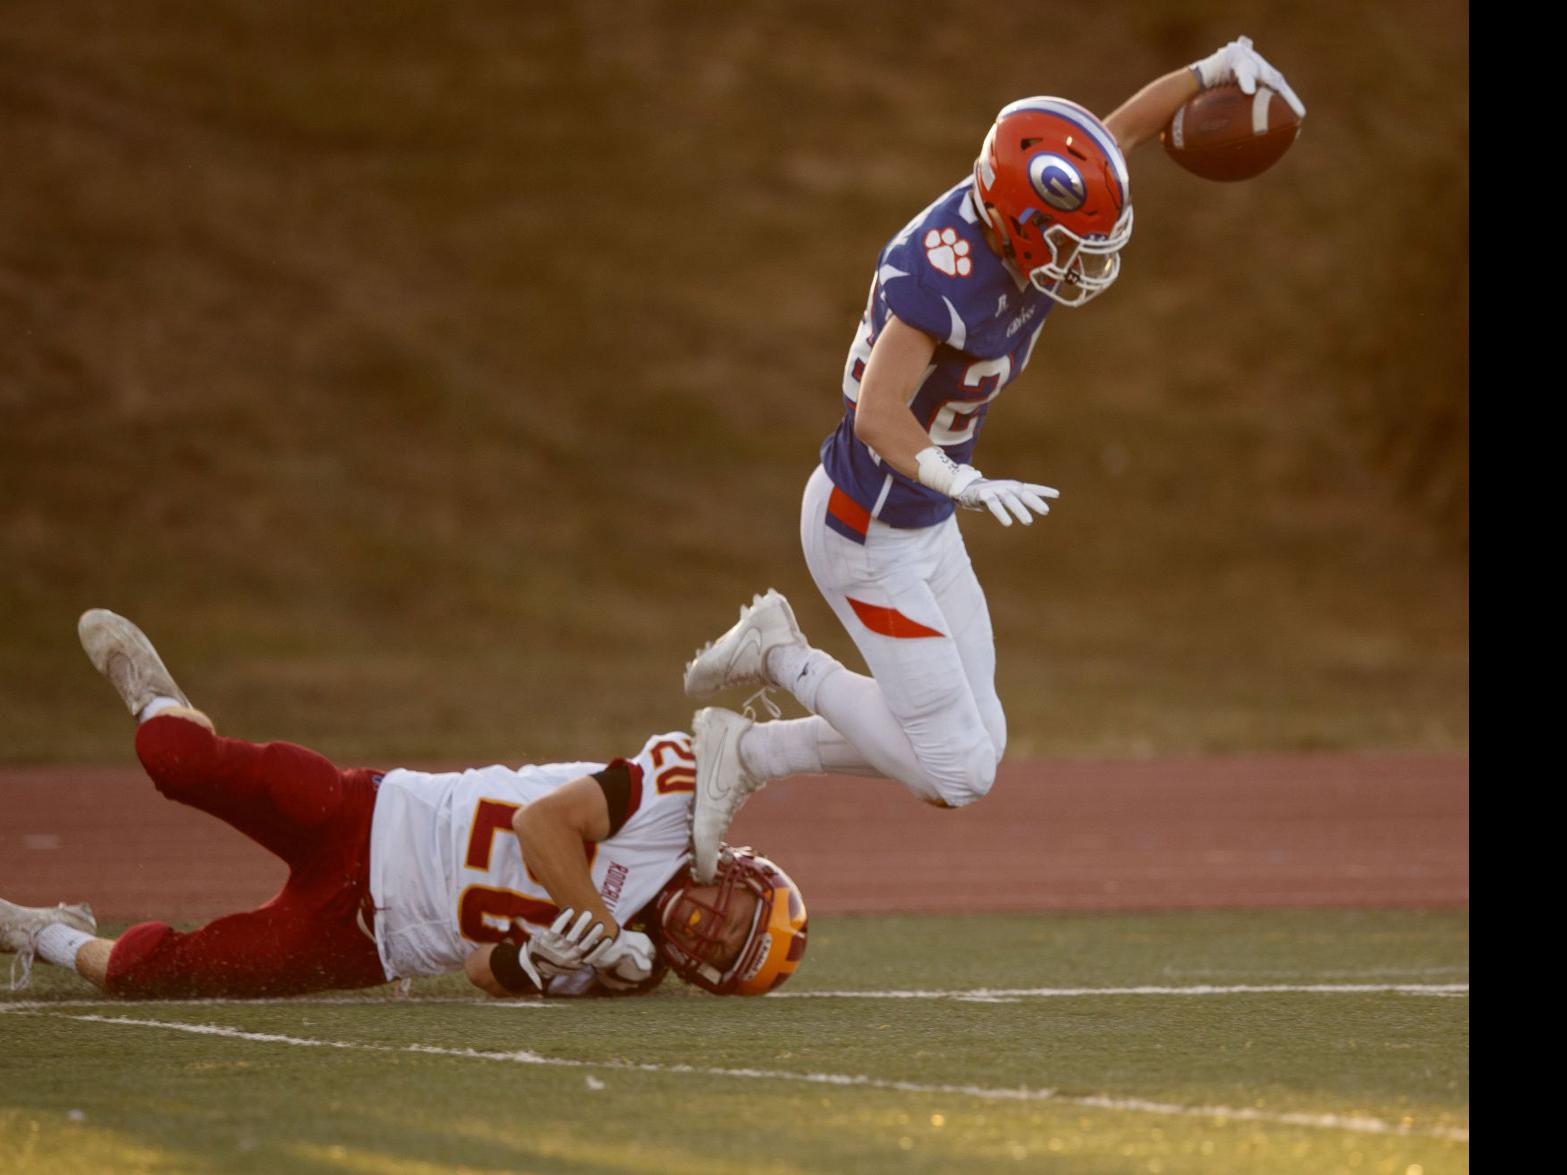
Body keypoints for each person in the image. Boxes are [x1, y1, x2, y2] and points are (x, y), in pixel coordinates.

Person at [679, 39, 1306, 880]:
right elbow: (876, 415)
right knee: (958, 771)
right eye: (1071, 244)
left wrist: (1213, 70)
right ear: (1018, 225)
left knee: (977, 740)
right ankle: (776, 653)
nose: (1086, 262)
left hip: (923, 522)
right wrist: (957, 476)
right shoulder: (944, 278)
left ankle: (742, 752)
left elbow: (1122, 131)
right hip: (862, 529)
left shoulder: (1019, 209)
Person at [2, 610, 808, 999]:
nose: (711, 926)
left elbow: (479, 967)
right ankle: (161, 702)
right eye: (735, 915)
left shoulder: (629, 970)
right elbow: (540, 825)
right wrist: (597, 927)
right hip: (369, 812)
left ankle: (46, 932)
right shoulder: (671, 808)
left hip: (365, 940)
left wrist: (536, 962)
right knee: (174, 760)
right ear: (739, 871)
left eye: (723, 947)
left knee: (148, 974)